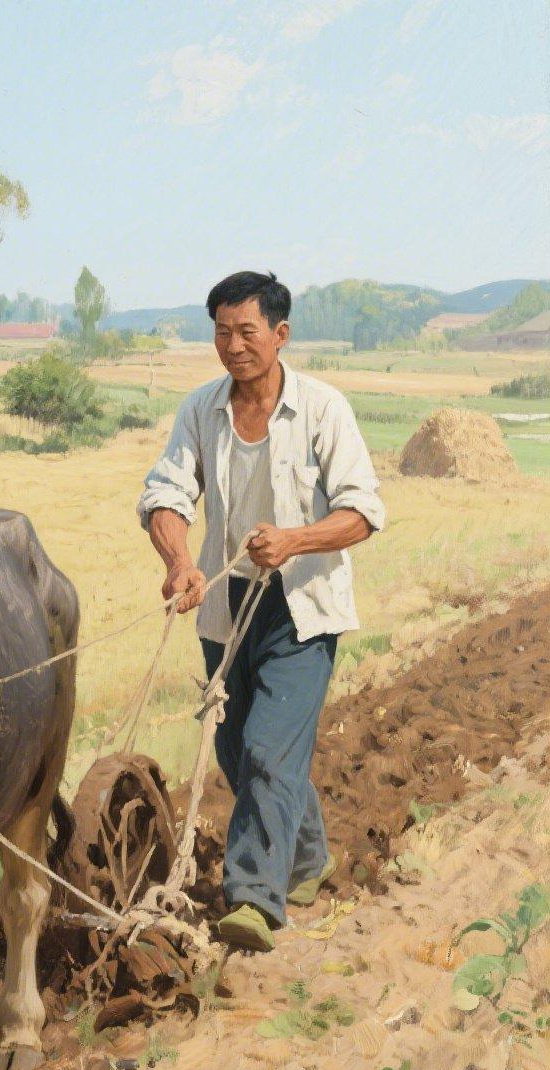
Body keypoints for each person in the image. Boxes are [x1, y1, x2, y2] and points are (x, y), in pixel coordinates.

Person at [137, 271, 385, 952]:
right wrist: (179, 564)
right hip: (225, 605)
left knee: (268, 751)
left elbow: (364, 511)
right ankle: (307, 859)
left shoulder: (323, 409)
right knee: (236, 751)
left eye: (247, 331)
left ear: (280, 335)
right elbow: (165, 495)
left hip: (301, 609)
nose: (233, 344)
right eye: (222, 330)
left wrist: (296, 538)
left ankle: (253, 899)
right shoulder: (200, 410)